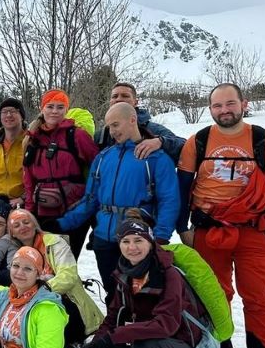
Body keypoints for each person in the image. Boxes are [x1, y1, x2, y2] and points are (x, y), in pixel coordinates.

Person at [176, 83, 265, 348]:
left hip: (253, 232)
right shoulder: (197, 143)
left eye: (230, 103)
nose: (224, 110)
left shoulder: (263, 140)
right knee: (213, 296)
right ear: (210, 108)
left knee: (257, 298)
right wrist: (181, 229)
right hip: (208, 231)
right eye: (217, 105)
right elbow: (181, 189)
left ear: (243, 103)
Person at [77, 212, 210, 348]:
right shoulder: (124, 273)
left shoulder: (168, 274)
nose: (132, 247)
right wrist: (100, 341)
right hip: (153, 342)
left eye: (138, 240)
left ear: (149, 242)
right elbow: (113, 315)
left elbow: (166, 324)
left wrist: (119, 335)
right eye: (126, 241)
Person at [53, 102, 180, 301]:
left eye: (115, 125)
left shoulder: (156, 158)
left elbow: (169, 200)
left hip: (136, 240)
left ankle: (137, 330)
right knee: (113, 293)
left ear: (132, 120)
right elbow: (91, 199)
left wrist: (161, 237)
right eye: (109, 126)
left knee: (140, 297)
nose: (111, 132)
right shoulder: (104, 157)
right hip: (104, 238)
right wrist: (61, 224)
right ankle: (117, 328)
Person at [6, 209, 102, 348]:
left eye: (26, 222)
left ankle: (67, 346)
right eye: (17, 225)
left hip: (65, 301)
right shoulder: (13, 250)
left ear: (35, 225)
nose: (23, 227)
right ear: (12, 232)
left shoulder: (54, 243)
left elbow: (68, 276)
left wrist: (43, 289)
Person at [22, 89, 100, 257]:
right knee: (43, 263)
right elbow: (29, 178)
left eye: (60, 107)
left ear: (66, 110)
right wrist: (30, 210)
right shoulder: (33, 138)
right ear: (42, 108)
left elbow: (98, 169)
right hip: (42, 211)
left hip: (73, 211)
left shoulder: (77, 135)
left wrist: (86, 202)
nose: (55, 111)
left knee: (67, 262)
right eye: (50, 106)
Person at [97, 82, 185, 163]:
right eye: (115, 96)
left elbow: (184, 146)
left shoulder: (152, 130)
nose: (119, 99)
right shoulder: (102, 135)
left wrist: (161, 142)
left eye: (125, 96)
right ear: (110, 102)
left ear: (135, 102)